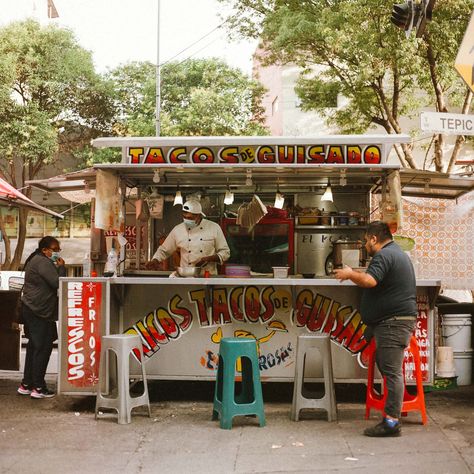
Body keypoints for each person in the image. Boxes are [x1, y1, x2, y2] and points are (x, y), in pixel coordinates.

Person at [334, 221, 417, 437]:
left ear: (373, 238)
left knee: (392, 372)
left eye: (365, 241)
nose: (364, 245)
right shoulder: (395, 253)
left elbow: (370, 281)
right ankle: (391, 418)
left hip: (393, 322)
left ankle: (391, 422)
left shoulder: (384, 255)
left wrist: (350, 274)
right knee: (389, 368)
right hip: (391, 321)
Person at [17, 236, 66, 399]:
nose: (57, 253)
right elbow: (58, 282)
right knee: (42, 348)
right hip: (39, 311)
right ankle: (38, 387)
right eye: (55, 249)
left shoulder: (36, 259)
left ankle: (26, 384)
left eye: (58, 249)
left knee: (34, 347)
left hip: (34, 310)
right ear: (45, 250)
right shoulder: (43, 262)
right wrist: (61, 268)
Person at [146, 199, 230, 275]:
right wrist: (155, 260)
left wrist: (209, 259)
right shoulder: (178, 230)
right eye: (184, 217)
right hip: (186, 276)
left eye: (190, 218)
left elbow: (225, 252)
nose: (187, 220)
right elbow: (164, 250)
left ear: (199, 216)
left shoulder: (214, 227)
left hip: (207, 276)